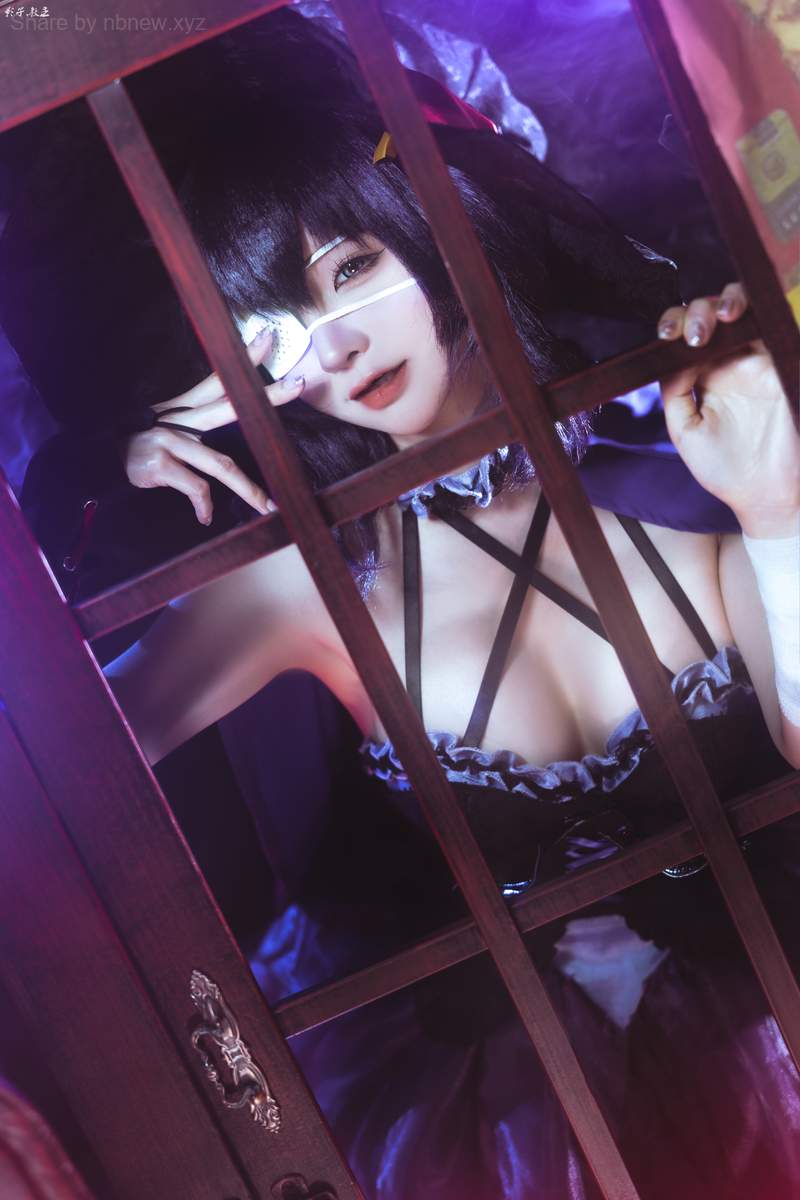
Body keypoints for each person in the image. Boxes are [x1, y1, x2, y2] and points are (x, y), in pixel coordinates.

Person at [62, 13, 800, 1199]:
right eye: (273, 330)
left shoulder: (678, 460)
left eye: (351, 269)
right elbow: (48, 784)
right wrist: (116, 508)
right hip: (499, 1109)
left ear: (439, 216)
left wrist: (772, 511)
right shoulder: (303, 579)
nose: (336, 353)